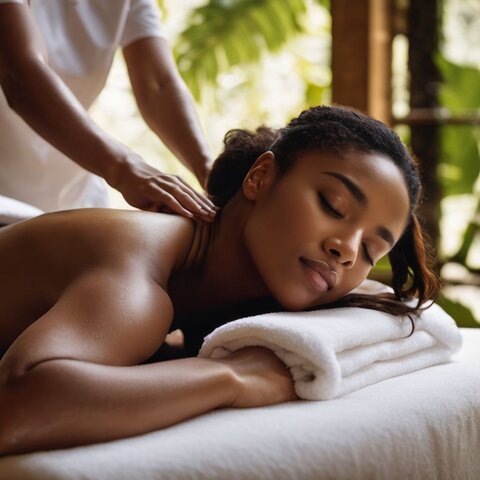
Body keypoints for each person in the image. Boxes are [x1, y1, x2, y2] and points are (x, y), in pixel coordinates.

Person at [0, 106, 440, 456]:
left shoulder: (213, 281)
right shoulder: (142, 272)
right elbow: (18, 403)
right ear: (260, 177)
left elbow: (384, 301)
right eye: (333, 205)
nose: (346, 250)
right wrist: (233, 377)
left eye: (370, 251)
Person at [0, 0, 217, 222]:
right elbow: (20, 74)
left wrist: (209, 172)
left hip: (76, 198)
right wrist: (123, 169)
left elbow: (159, 85)